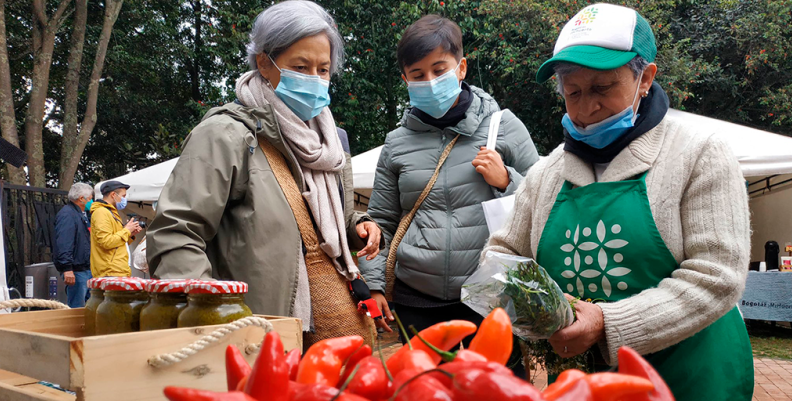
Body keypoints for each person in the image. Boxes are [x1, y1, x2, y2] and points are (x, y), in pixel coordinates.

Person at [484, 4, 753, 400]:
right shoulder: (547, 173)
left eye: (602, 88)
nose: (585, 109)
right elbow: (501, 255)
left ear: (645, 78)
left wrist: (607, 323)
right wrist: (534, 308)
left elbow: (717, 276)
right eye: (572, 91)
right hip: (584, 385)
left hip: (691, 377)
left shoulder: (699, 154)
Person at [147, 0, 382, 345]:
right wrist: (212, 313)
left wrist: (357, 225)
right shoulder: (226, 134)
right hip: (258, 331)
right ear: (264, 62)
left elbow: (322, 222)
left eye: (323, 69)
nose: (314, 80)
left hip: (338, 315)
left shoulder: (331, 142)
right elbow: (176, 232)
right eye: (300, 66)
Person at [358, 15, 539, 374]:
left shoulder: (503, 125)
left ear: (461, 68)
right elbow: (380, 222)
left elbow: (546, 201)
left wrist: (506, 180)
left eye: (439, 69)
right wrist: (375, 285)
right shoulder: (396, 144)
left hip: (490, 296)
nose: (429, 81)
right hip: (416, 300)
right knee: (426, 389)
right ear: (405, 79)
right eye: (418, 74)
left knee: (497, 390)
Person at [53, 183, 93, 308]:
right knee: (77, 308)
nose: (92, 201)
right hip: (76, 270)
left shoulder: (80, 214)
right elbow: (64, 243)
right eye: (91, 198)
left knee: (87, 307)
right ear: (82, 198)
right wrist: (67, 268)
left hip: (84, 268)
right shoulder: (68, 214)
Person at [90, 180, 142, 277]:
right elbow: (106, 242)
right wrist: (126, 230)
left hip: (117, 269)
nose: (124, 199)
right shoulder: (101, 212)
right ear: (113, 195)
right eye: (123, 196)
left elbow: (116, 242)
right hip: (110, 271)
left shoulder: (111, 212)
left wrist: (130, 234)